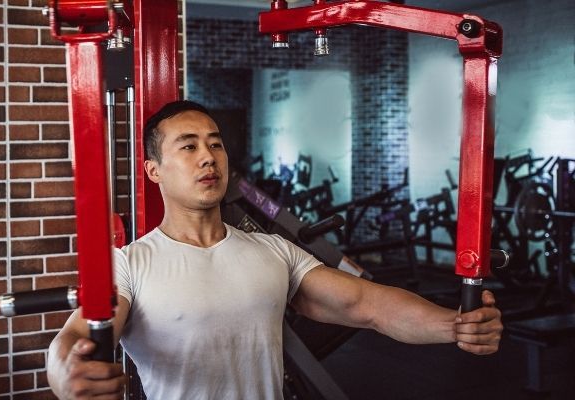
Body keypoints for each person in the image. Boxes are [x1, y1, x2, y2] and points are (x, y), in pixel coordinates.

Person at [47, 101, 503, 400]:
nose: (209, 157)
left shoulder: (272, 250)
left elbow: (367, 305)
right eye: (188, 147)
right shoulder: (130, 263)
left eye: (216, 144)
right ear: (154, 171)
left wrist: (454, 325)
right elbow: (70, 340)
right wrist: (65, 375)